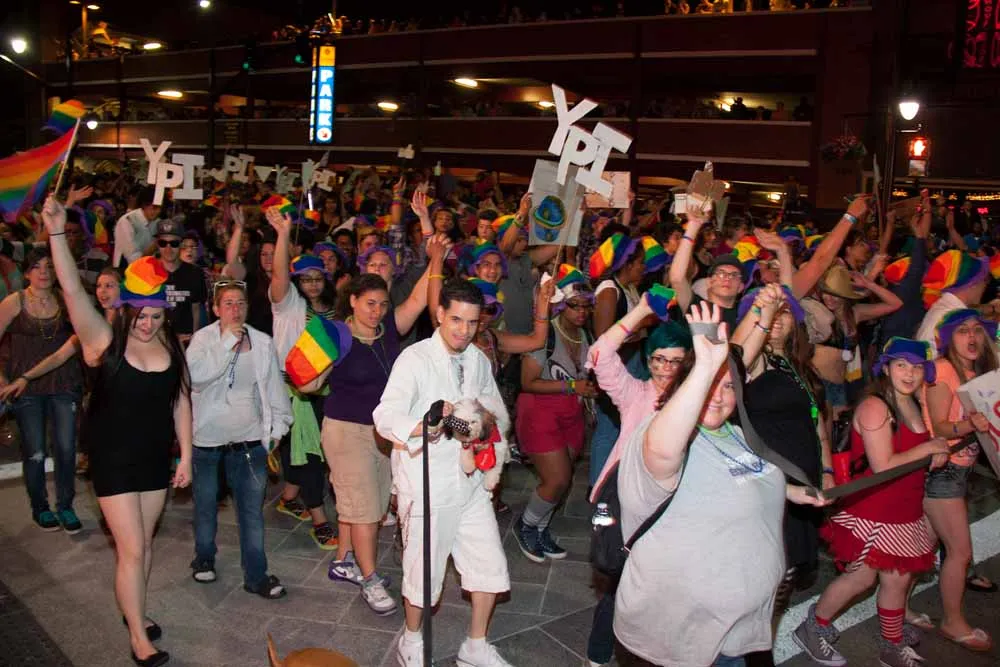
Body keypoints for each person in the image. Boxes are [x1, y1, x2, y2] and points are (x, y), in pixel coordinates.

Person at [615, 301, 827, 667]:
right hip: (682, 632)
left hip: (738, 632)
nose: (719, 395)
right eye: (709, 385)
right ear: (686, 386)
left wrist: (792, 491)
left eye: (729, 386)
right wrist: (705, 367)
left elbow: (739, 477)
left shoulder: (735, 433)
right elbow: (663, 452)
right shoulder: (658, 432)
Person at [43, 196, 192, 667]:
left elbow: (182, 400)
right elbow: (72, 291)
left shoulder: (169, 346)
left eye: (156, 316)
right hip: (112, 460)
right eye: (140, 315)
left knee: (144, 546)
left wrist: (186, 455)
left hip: (154, 457)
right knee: (130, 549)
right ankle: (138, 639)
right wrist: (56, 232)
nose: (148, 324)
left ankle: (136, 613)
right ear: (127, 309)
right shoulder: (103, 341)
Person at [300, 236, 447, 616]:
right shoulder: (336, 334)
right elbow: (304, 380)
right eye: (369, 303)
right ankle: (369, 578)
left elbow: (418, 299)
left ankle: (343, 561)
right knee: (365, 510)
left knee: (368, 504)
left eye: (382, 304)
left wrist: (436, 258)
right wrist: (316, 371)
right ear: (352, 300)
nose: (377, 311)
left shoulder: (387, 331)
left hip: (382, 433)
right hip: (346, 432)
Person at [373, 279, 514, 667]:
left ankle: (475, 646)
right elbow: (385, 415)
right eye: (456, 320)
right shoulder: (414, 359)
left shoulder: (478, 360)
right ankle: (412, 641)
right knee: (424, 573)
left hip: (470, 483)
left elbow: (494, 412)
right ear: (439, 314)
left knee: (489, 565)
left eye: (471, 322)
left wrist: (481, 428)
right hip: (427, 483)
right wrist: (427, 424)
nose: (463, 331)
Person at [794, 338, 949, 667]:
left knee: (897, 579)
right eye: (901, 365)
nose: (909, 373)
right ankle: (813, 627)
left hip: (904, 507)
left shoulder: (911, 401)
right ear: (886, 368)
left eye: (917, 367)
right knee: (861, 578)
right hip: (875, 510)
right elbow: (884, 465)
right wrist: (928, 448)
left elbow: (916, 452)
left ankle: (891, 643)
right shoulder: (875, 407)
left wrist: (934, 452)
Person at [584, 291, 693, 667]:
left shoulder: (696, 406)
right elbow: (599, 354)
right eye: (658, 359)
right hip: (620, 505)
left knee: (661, 588)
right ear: (648, 360)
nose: (665, 369)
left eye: (675, 361)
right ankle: (598, 655)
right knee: (617, 585)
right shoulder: (635, 395)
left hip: (669, 510)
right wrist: (642, 311)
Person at [185, 281, 293, 598]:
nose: (235, 309)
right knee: (206, 507)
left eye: (240, 303)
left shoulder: (262, 342)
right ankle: (204, 558)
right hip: (207, 443)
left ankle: (257, 576)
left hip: (249, 442)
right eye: (228, 303)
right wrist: (226, 343)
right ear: (215, 309)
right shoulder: (203, 340)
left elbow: (274, 390)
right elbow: (196, 378)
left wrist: (276, 430)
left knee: (252, 513)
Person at [911, 309, 997, 651]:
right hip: (942, 470)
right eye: (963, 331)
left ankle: (898, 607)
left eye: (977, 330)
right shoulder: (944, 370)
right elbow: (940, 426)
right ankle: (952, 622)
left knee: (921, 548)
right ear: (948, 338)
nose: (972, 337)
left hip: (958, 469)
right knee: (959, 552)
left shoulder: (975, 372)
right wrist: (969, 425)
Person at [514, 268, 599, 562]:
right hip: (539, 412)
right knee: (557, 478)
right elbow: (527, 382)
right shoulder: (546, 334)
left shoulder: (585, 334)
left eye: (586, 306)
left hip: (571, 413)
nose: (581, 312)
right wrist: (572, 386)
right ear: (562, 304)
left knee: (564, 479)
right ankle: (525, 525)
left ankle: (541, 528)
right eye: (575, 305)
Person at [266, 209, 337, 548]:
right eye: (305, 278)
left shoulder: (334, 308)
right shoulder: (288, 304)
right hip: (293, 390)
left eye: (317, 277)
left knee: (309, 450)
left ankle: (289, 497)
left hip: (326, 389)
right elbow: (279, 274)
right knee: (310, 455)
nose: (312, 283)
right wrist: (283, 234)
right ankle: (319, 519)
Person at [0, 248, 84, 532]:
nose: (44, 272)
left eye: (49, 266)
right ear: (26, 272)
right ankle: (40, 507)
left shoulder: (66, 299)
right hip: (25, 388)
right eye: (36, 267)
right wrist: (2, 378)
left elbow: (77, 341)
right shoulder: (15, 301)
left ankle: (66, 506)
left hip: (64, 382)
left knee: (66, 447)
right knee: (35, 450)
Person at [154, 218, 207, 344]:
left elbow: (196, 309)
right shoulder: (147, 272)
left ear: (181, 244)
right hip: (155, 339)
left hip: (186, 339)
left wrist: (194, 339)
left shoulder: (195, 273)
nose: (168, 248)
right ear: (157, 244)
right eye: (163, 243)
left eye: (174, 243)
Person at [113, 185, 161, 269]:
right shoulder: (127, 221)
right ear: (143, 205)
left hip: (148, 268)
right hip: (127, 269)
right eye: (153, 207)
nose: (156, 211)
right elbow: (132, 258)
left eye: (159, 208)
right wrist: (155, 246)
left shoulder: (158, 222)